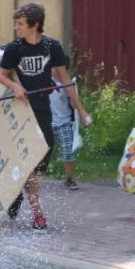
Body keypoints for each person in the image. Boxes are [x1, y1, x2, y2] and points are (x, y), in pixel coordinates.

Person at [0, 3, 91, 231]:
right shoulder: (14, 48)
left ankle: (19, 192)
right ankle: (38, 213)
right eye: (16, 23)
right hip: (22, 112)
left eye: (20, 24)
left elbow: (65, 80)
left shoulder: (51, 47)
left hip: (43, 110)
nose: (16, 28)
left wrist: (80, 109)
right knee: (29, 162)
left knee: (41, 161)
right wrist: (15, 87)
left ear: (35, 25)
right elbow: (1, 76)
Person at [49, 54, 80, 190]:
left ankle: (69, 178)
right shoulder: (46, 82)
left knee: (67, 151)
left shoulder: (67, 85)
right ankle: (33, 178)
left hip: (64, 121)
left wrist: (72, 95)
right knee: (40, 152)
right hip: (48, 122)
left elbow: (74, 106)